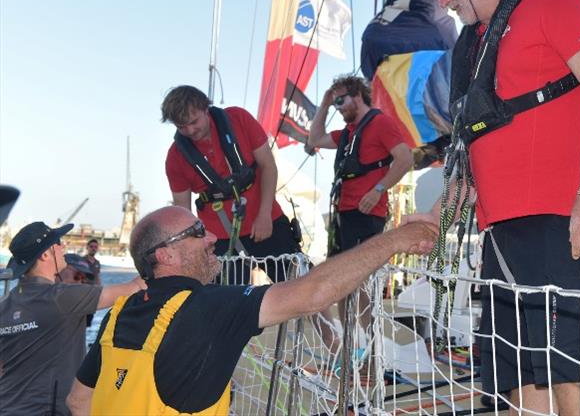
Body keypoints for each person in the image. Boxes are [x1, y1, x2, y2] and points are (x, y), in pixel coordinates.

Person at [402, 0, 580, 414]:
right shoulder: (474, 46)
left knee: (573, 374)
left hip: (561, 223)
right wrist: (434, 222)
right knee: (516, 380)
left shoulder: (552, 0)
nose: (442, 0)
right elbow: (475, 152)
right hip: (499, 236)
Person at [66, 205, 436, 415]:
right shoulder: (207, 307)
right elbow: (314, 292)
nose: (212, 237)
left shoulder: (119, 313)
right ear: (166, 255)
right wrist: (399, 238)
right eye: (197, 232)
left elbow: (78, 401)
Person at [0, 222, 144, 416]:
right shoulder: (61, 296)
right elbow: (133, 289)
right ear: (45, 254)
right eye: (58, 243)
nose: (63, 248)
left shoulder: (6, 304)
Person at [162, 85, 301, 285]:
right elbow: (182, 211)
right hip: (219, 238)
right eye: (182, 127)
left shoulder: (239, 119)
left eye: (194, 122)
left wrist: (264, 215)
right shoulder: (175, 158)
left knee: (301, 282)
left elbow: (268, 166)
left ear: (206, 109)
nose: (190, 130)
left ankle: (325, 319)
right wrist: (193, 248)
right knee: (228, 302)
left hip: (265, 221)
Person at [307, 76, 412, 336]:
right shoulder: (348, 133)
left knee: (359, 279)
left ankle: (370, 342)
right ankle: (353, 339)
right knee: (341, 278)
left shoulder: (380, 123)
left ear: (357, 95)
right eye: (335, 102)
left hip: (366, 213)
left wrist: (378, 190)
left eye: (341, 100)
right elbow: (315, 139)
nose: (338, 106)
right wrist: (323, 104)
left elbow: (405, 158)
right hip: (344, 213)